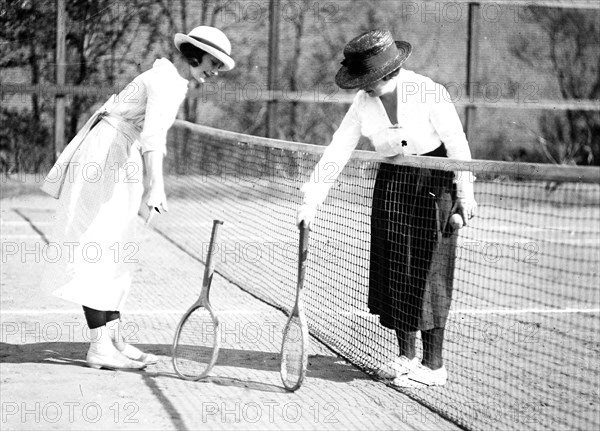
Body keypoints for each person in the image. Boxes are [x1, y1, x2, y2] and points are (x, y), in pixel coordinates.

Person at [40, 26, 235, 370]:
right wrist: (155, 186)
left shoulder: (173, 80)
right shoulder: (165, 81)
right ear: (194, 54)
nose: (215, 70)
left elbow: (148, 134)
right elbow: (153, 137)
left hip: (118, 154)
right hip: (104, 156)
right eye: (212, 62)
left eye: (219, 65)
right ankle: (99, 347)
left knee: (119, 248)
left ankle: (113, 340)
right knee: (98, 246)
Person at [297, 29, 477, 387]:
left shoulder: (428, 91)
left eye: (368, 80)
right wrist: (311, 200)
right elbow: (338, 149)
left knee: (430, 271)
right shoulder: (364, 103)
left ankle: (434, 366)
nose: (363, 87)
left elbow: (457, 143)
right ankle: (406, 358)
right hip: (392, 183)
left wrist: (465, 193)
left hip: (435, 181)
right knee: (395, 269)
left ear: (387, 74)